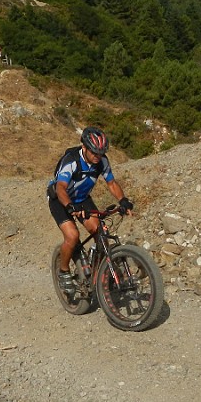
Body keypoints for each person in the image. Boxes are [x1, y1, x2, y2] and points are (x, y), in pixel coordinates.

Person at [47, 126, 133, 293]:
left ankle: (101, 272)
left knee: (100, 231)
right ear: (84, 147)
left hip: (82, 198)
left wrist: (123, 200)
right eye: (94, 152)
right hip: (60, 199)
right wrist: (70, 207)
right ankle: (63, 272)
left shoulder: (102, 161)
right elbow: (61, 188)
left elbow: (112, 184)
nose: (97, 156)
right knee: (72, 236)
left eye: (100, 153)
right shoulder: (71, 160)